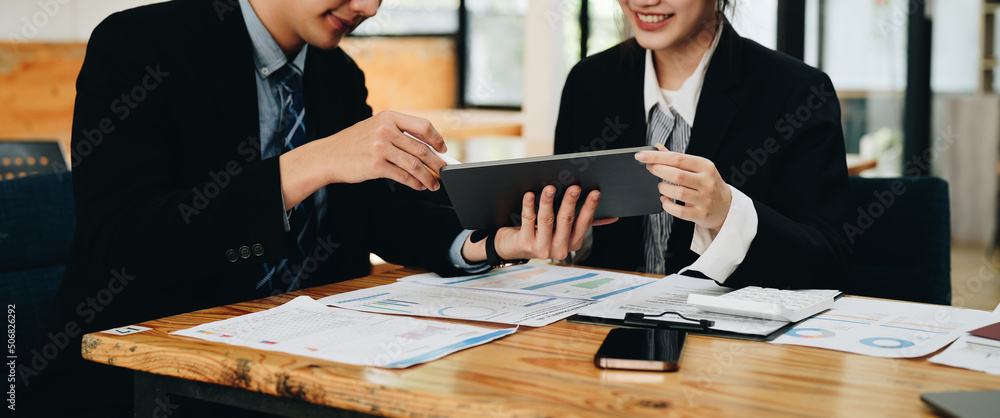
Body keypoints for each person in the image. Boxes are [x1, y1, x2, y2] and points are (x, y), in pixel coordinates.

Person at [29, 0, 605, 414]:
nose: (370, 7)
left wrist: (498, 243)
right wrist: (310, 163)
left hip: (310, 363)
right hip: (150, 377)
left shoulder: (334, 72)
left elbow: (379, 217)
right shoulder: (139, 46)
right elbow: (127, 239)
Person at [554, 0, 850, 289]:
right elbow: (575, 238)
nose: (644, 2)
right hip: (603, 328)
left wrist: (729, 213)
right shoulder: (588, 82)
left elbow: (827, 264)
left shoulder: (798, 92)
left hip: (728, 334)